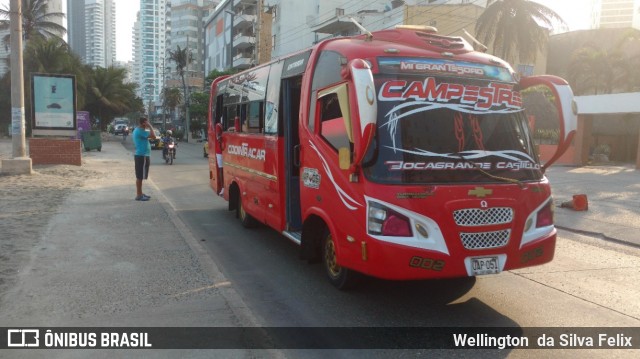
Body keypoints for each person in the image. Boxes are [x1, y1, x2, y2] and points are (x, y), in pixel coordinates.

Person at [132, 117, 157, 201]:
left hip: (142, 155)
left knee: (140, 176)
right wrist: (150, 126)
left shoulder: (139, 131)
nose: (147, 124)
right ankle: (139, 195)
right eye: (147, 122)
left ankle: (140, 193)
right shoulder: (140, 131)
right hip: (142, 155)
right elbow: (154, 136)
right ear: (143, 123)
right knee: (139, 176)